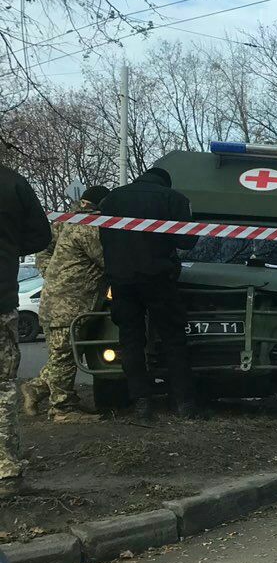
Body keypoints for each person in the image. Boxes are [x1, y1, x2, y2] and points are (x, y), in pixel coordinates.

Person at [98, 167, 199, 422]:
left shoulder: (112, 199)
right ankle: (183, 404)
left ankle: (142, 404)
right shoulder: (172, 198)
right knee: (173, 339)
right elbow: (188, 241)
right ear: (166, 182)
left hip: (121, 281)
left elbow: (103, 237)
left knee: (130, 342)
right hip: (158, 279)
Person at [22, 185, 111, 423]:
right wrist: (52, 272)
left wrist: (53, 273)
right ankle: (62, 409)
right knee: (63, 355)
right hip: (68, 303)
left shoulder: (71, 221)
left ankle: (37, 388)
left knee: (66, 355)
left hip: (65, 300)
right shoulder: (87, 225)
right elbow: (106, 258)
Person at [1, 163, 54, 497]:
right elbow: (41, 234)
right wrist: (8, 246)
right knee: (2, 385)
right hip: (0, 296)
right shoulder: (12, 182)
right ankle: (4, 466)